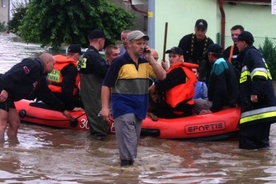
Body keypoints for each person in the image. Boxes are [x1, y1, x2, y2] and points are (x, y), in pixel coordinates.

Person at [100, 30, 166, 167]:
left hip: (139, 108)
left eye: (144, 44)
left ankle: (127, 169)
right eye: (138, 43)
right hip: (123, 108)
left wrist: (151, 59)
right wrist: (105, 107)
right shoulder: (119, 62)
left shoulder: (145, 63)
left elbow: (162, 76)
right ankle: (127, 171)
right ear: (129, 44)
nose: (142, 46)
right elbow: (106, 85)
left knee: (132, 141)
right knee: (129, 141)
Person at [0, 53, 74, 143]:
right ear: (47, 62)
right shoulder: (32, 64)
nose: (54, 67)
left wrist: (63, 110)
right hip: (3, 90)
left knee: (15, 123)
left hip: (9, 96)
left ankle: (11, 150)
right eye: (53, 64)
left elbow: (48, 96)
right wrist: (5, 90)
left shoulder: (40, 78)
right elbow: (11, 74)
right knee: (2, 125)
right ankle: (2, 151)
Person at [236, 31, 276, 150]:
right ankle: (260, 165)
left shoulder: (251, 53)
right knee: (261, 143)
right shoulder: (254, 54)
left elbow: (259, 74)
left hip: (257, 107)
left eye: (238, 41)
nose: (236, 44)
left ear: (244, 42)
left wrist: (255, 93)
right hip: (263, 108)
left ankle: (250, 166)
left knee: (246, 140)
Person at [77, 29, 109, 140]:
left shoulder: (84, 56)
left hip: (87, 96)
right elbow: (107, 74)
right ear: (101, 41)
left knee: (94, 124)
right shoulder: (95, 57)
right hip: (95, 96)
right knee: (100, 128)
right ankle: (98, 152)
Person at [193, 44, 239, 115]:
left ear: (210, 55)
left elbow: (219, 88)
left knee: (191, 103)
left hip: (223, 105)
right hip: (231, 102)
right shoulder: (227, 63)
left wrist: (213, 109)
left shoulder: (218, 64)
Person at [155, 47, 197, 118]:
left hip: (177, 110)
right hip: (185, 106)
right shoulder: (184, 69)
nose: (171, 59)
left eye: (174, 56)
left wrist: (159, 72)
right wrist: (166, 69)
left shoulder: (178, 71)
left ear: (181, 57)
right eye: (170, 56)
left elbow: (162, 85)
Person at [47, 44, 82, 111]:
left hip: (50, 94)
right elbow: (67, 89)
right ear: (76, 55)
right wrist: (71, 107)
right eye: (79, 57)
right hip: (61, 98)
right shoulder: (71, 68)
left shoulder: (55, 63)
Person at [178, 19, 214, 83]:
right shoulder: (185, 40)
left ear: (206, 31)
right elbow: (178, 56)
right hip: (187, 73)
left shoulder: (210, 43)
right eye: (198, 30)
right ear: (194, 29)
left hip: (204, 75)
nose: (200, 33)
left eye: (202, 30)